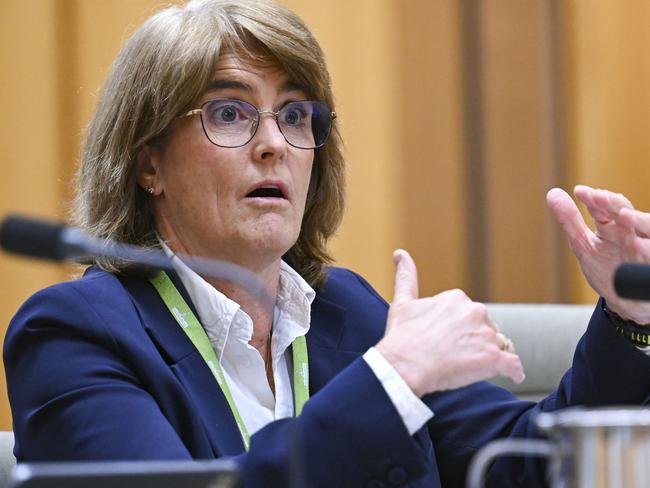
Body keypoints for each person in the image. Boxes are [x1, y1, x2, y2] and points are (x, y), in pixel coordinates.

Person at [4, 1, 650, 487]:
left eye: (294, 115)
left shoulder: (347, 311)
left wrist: (630, 320)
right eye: (229, 112)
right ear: (149, 164)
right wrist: (393, 378)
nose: (274, 144)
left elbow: (528, 462)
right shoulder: (74, 332)